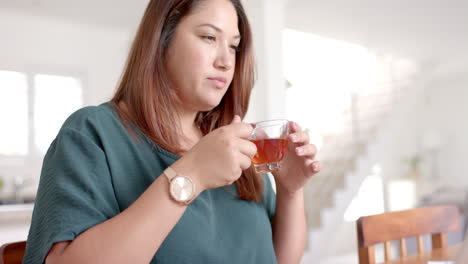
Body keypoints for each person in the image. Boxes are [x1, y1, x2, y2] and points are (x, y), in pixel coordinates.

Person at [23, 0, 321, 263]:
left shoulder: (237, 145)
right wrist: (190, 175)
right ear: (161, 39)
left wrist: (290, 190)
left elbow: (279, 259)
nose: (226, 61)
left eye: (233, 45)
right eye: (208, 37)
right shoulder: (92, 134)